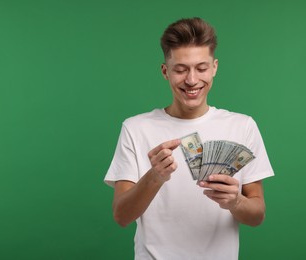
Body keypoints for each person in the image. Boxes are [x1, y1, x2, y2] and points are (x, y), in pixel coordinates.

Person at [104, 17, 274, 260]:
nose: (192, 80)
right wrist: (155, 177)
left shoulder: (242, 126)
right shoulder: (135, 128)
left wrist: (235, 202)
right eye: (181, 69)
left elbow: (257, 216)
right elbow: (121, 216)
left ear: (215, 67)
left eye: (201, 68)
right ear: (165, 71)